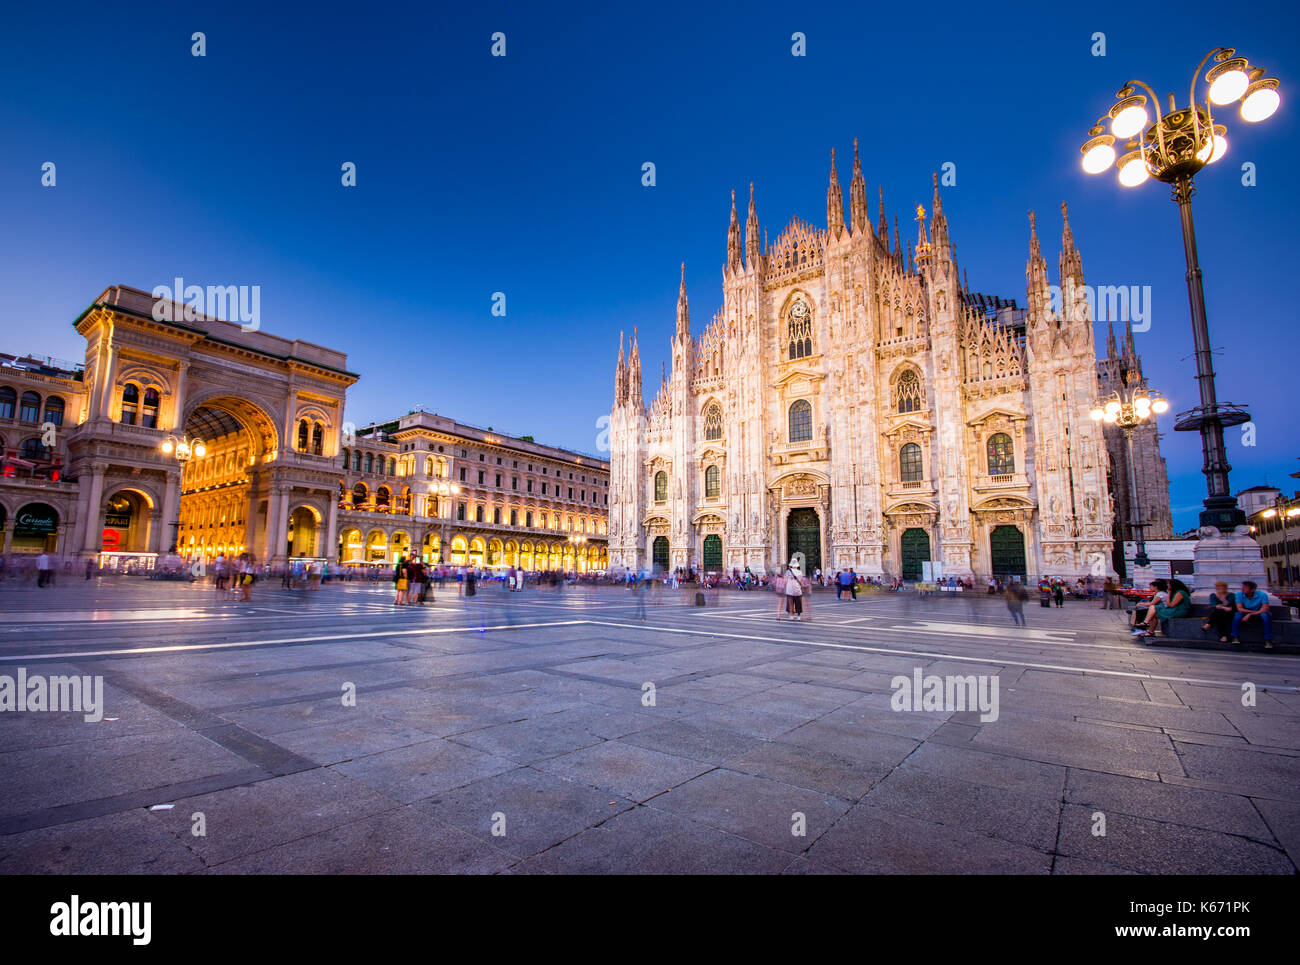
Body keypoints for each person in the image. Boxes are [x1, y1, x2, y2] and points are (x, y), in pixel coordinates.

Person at [1230, 580, 1273, 649]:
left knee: (1265, 616)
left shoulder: (1262, 595)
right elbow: (1239, 608)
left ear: (1252, 589)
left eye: (1245, 587)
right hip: (1248, 612)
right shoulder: (1239, 594)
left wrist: (1250, 614)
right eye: (1242, 587)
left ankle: (1268, 640)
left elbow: (1265, 609)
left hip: (1259, 613)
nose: (1242, 589)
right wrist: (1250, 613)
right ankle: (1234, 637)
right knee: (1237, 615)